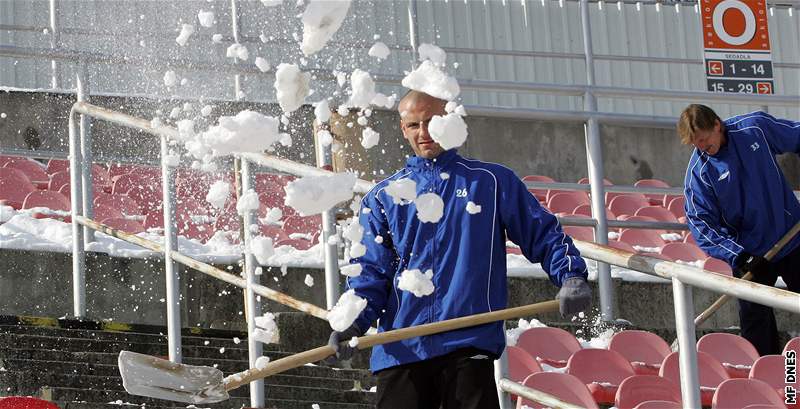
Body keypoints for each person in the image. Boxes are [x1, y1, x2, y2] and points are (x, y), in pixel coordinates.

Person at [326, 90, 592, 409]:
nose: (423, 133)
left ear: (450, 119)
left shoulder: (492, 182)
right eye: (414, 125)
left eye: (432, 121)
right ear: (402, 129)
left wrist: (570, 276)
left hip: (468, 347)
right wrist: (352, 322)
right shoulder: (383, 198)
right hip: (400, 350)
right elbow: (370, 273)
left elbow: (543, 234)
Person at [679, 104, 800, 356]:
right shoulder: (699, 174)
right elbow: (701, 225)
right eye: (695, 143)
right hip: (750, 255)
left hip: (792, 237)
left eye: (704, 139)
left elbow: (797, 136)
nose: (701, 147)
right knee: (756, 325)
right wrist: (739, 256)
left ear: (717, 125)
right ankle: (766, 377)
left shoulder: (755, 128)